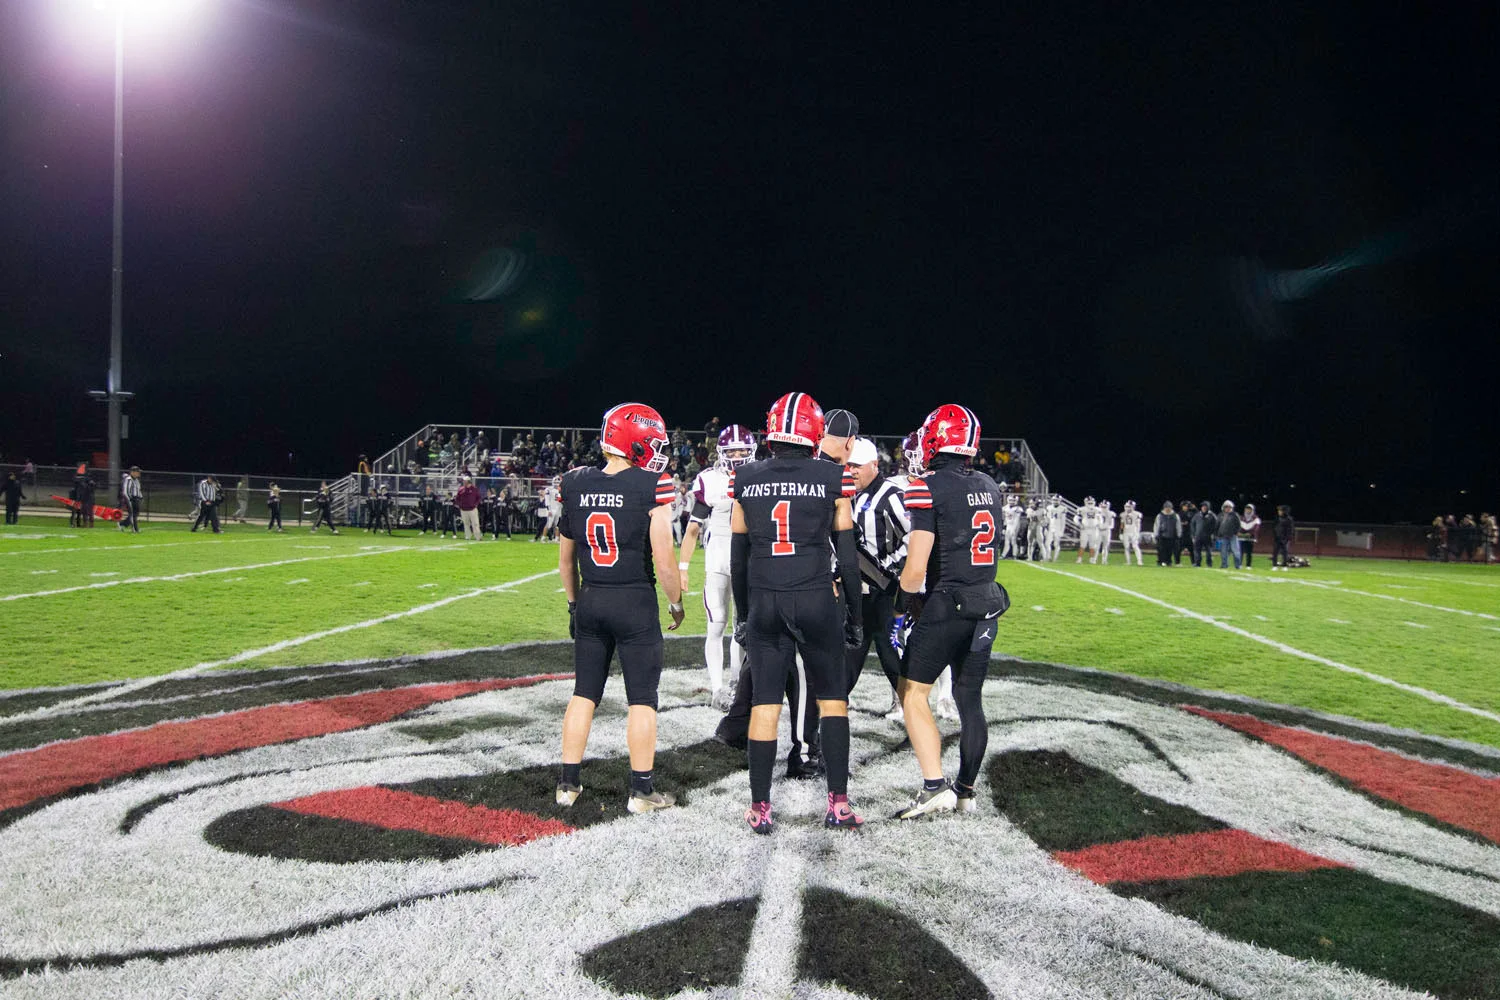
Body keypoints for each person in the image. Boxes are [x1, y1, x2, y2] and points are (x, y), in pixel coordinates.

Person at [731, 391, 863, 834]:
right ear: (814, 431)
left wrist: (745, 615)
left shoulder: (746, 477)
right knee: (833, 703)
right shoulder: (834, 477)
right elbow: (847, 557)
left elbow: (738, 555)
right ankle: (838, 805)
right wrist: (855, 616)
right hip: (815, 597)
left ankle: (759, 808)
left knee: (765, 705)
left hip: (766, 598)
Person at [555, 402, 685, 814]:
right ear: (636, 440)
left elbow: (565, 560)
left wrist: (575, 606)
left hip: (592, 598)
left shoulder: (574, 483)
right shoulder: (653, 485)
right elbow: (664, 559)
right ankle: (641, 791)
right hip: (634, 602)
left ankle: (567, 785)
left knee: (584, 693)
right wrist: (677, 601)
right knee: (642, 699)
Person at [892, 403, 1008, 819]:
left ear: (937, 437)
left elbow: (917, 564)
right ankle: (966, 792)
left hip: (946, 604)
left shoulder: (927, 486)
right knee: (969, 699)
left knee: (913, 692)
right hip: (987, 601)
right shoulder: (990, 486)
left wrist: (902, 602)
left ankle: (933, 785)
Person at [679, 424, 757, 711]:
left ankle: (737, 683)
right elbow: (693, 529)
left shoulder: (759, 475)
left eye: (742, 451)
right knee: (717, 623)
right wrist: (683, 566)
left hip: (749, 558)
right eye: (731, 451)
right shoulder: (709, 480)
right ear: (721, 453)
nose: (737, 456)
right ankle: (717, 687)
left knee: (742, 625)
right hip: (719, 559)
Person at [844, 436, 909, 712]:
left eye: (857, 466)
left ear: (874, 465)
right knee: (848, 656)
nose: (852, 471)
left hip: (885, 594)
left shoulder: (892, 496)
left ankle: (908, 705)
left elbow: (915, 539)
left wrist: (891, 569)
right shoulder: (849, 495)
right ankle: (833, 704)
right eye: (849, 466)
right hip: (855, 595)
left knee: (891, 653)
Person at [1216, 500, 1242, 569]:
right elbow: (1217, 525)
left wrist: (1236, 532)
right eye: (1226, 507)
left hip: (1232, 536)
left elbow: (1238, 525)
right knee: (1223, 552)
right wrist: (1217, 534)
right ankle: (1224, 565)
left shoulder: (1235, 515)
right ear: (1223, 508)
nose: (1228, 508)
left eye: (1229, 507)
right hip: (1223, 536)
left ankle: (1238, 565)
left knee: (1235, 551)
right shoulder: (1220, 515)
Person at [1075, 497, 1101, 563]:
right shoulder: (1082, 509)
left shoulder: (1097, 509)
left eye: (1091, 502)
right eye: (1089, 502)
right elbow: (1075, 518)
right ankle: (1079, 559)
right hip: (1085, 529)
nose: (1090, 503)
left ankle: (1092, 559)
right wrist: (1080, 525)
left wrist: (1099, 524)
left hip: (1094, 529)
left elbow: (1100, 519)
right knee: (1082, 544)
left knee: (1092, 545)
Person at [1153, 501, 1180, 566]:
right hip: (1162, 535)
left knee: (1169, 550)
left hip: (1172, 535)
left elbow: (1178, 525)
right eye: (1166, 507)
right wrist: (1155, 534)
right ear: (1164, 508)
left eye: (1169, 507)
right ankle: (1160, 561)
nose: (1168, 509)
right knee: (1161, 549)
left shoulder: (1175, 515)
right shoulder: (1160, 515)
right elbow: (1156, 525)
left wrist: (1178, 534)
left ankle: (1168, 561)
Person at [1191, 501, 1216, 567]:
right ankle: (1197, 563)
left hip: (1208, 537)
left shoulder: (1212, 516)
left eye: (1205, 506)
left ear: (1208, 507)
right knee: (1197, 551)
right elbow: (1192, 524)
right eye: (1202, 506)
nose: (1204, 507)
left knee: (1209, 552)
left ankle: (1209, 564)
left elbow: (1216, 526)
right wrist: (1193, 535)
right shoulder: (1197, 515)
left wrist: (1213, 534)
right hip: (1198, 536)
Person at [456, 476, 482, 540]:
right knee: (466, 524)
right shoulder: (461, 489)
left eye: (465, 481)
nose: (464, 482)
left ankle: (478, 537)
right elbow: (457, 498)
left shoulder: (474, 489)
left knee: (475, 524)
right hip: (463, 510)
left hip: (472, 509)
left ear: (468, 481)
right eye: (464, 481)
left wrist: (475, 504)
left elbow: (479, 498)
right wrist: (460, 505)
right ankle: (468, 536)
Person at [1119, 500, 1144, 565]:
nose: (1128, 508)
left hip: (1134, 532)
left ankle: (1139, 561)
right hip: (1126, 532)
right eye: (1127, 506)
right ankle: (1128, 561)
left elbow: (1138, 524)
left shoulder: (1137, 514)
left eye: (1129, 506)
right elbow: (1122, 524)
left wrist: (1138, 532)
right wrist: (1121, 533)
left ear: (1133, 507)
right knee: (1126, 547)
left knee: (1135, 546)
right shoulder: (1123, 514)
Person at [1272, 504, 1294, 570]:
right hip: (1277, 538)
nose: (1279, 512)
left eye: (1280, 510)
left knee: (1285, 553)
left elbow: (1290, 529)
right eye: (1278, 510)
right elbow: (1274, 527)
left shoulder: (1289, 519)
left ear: (1284, 511)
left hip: (1285, 539)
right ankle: (1274, 565)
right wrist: (1275, 535)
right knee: (1275, 552)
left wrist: (1287, 538)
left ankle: (1284, 566)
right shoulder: (1277, 518)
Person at [1000, 495, 1021, 559]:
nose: (1011, 502)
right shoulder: (1005, 508)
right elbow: (1005, 519)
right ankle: (1003, 555)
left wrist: (1014, 529)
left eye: (1013, 500)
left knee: (1013, 541)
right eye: (1010, 500)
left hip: (1014, 526)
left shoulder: (1017, 509)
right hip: (1008, 526)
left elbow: (1017, 520)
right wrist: (1004, 527)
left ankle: (1014, 555)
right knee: (1007, 541)